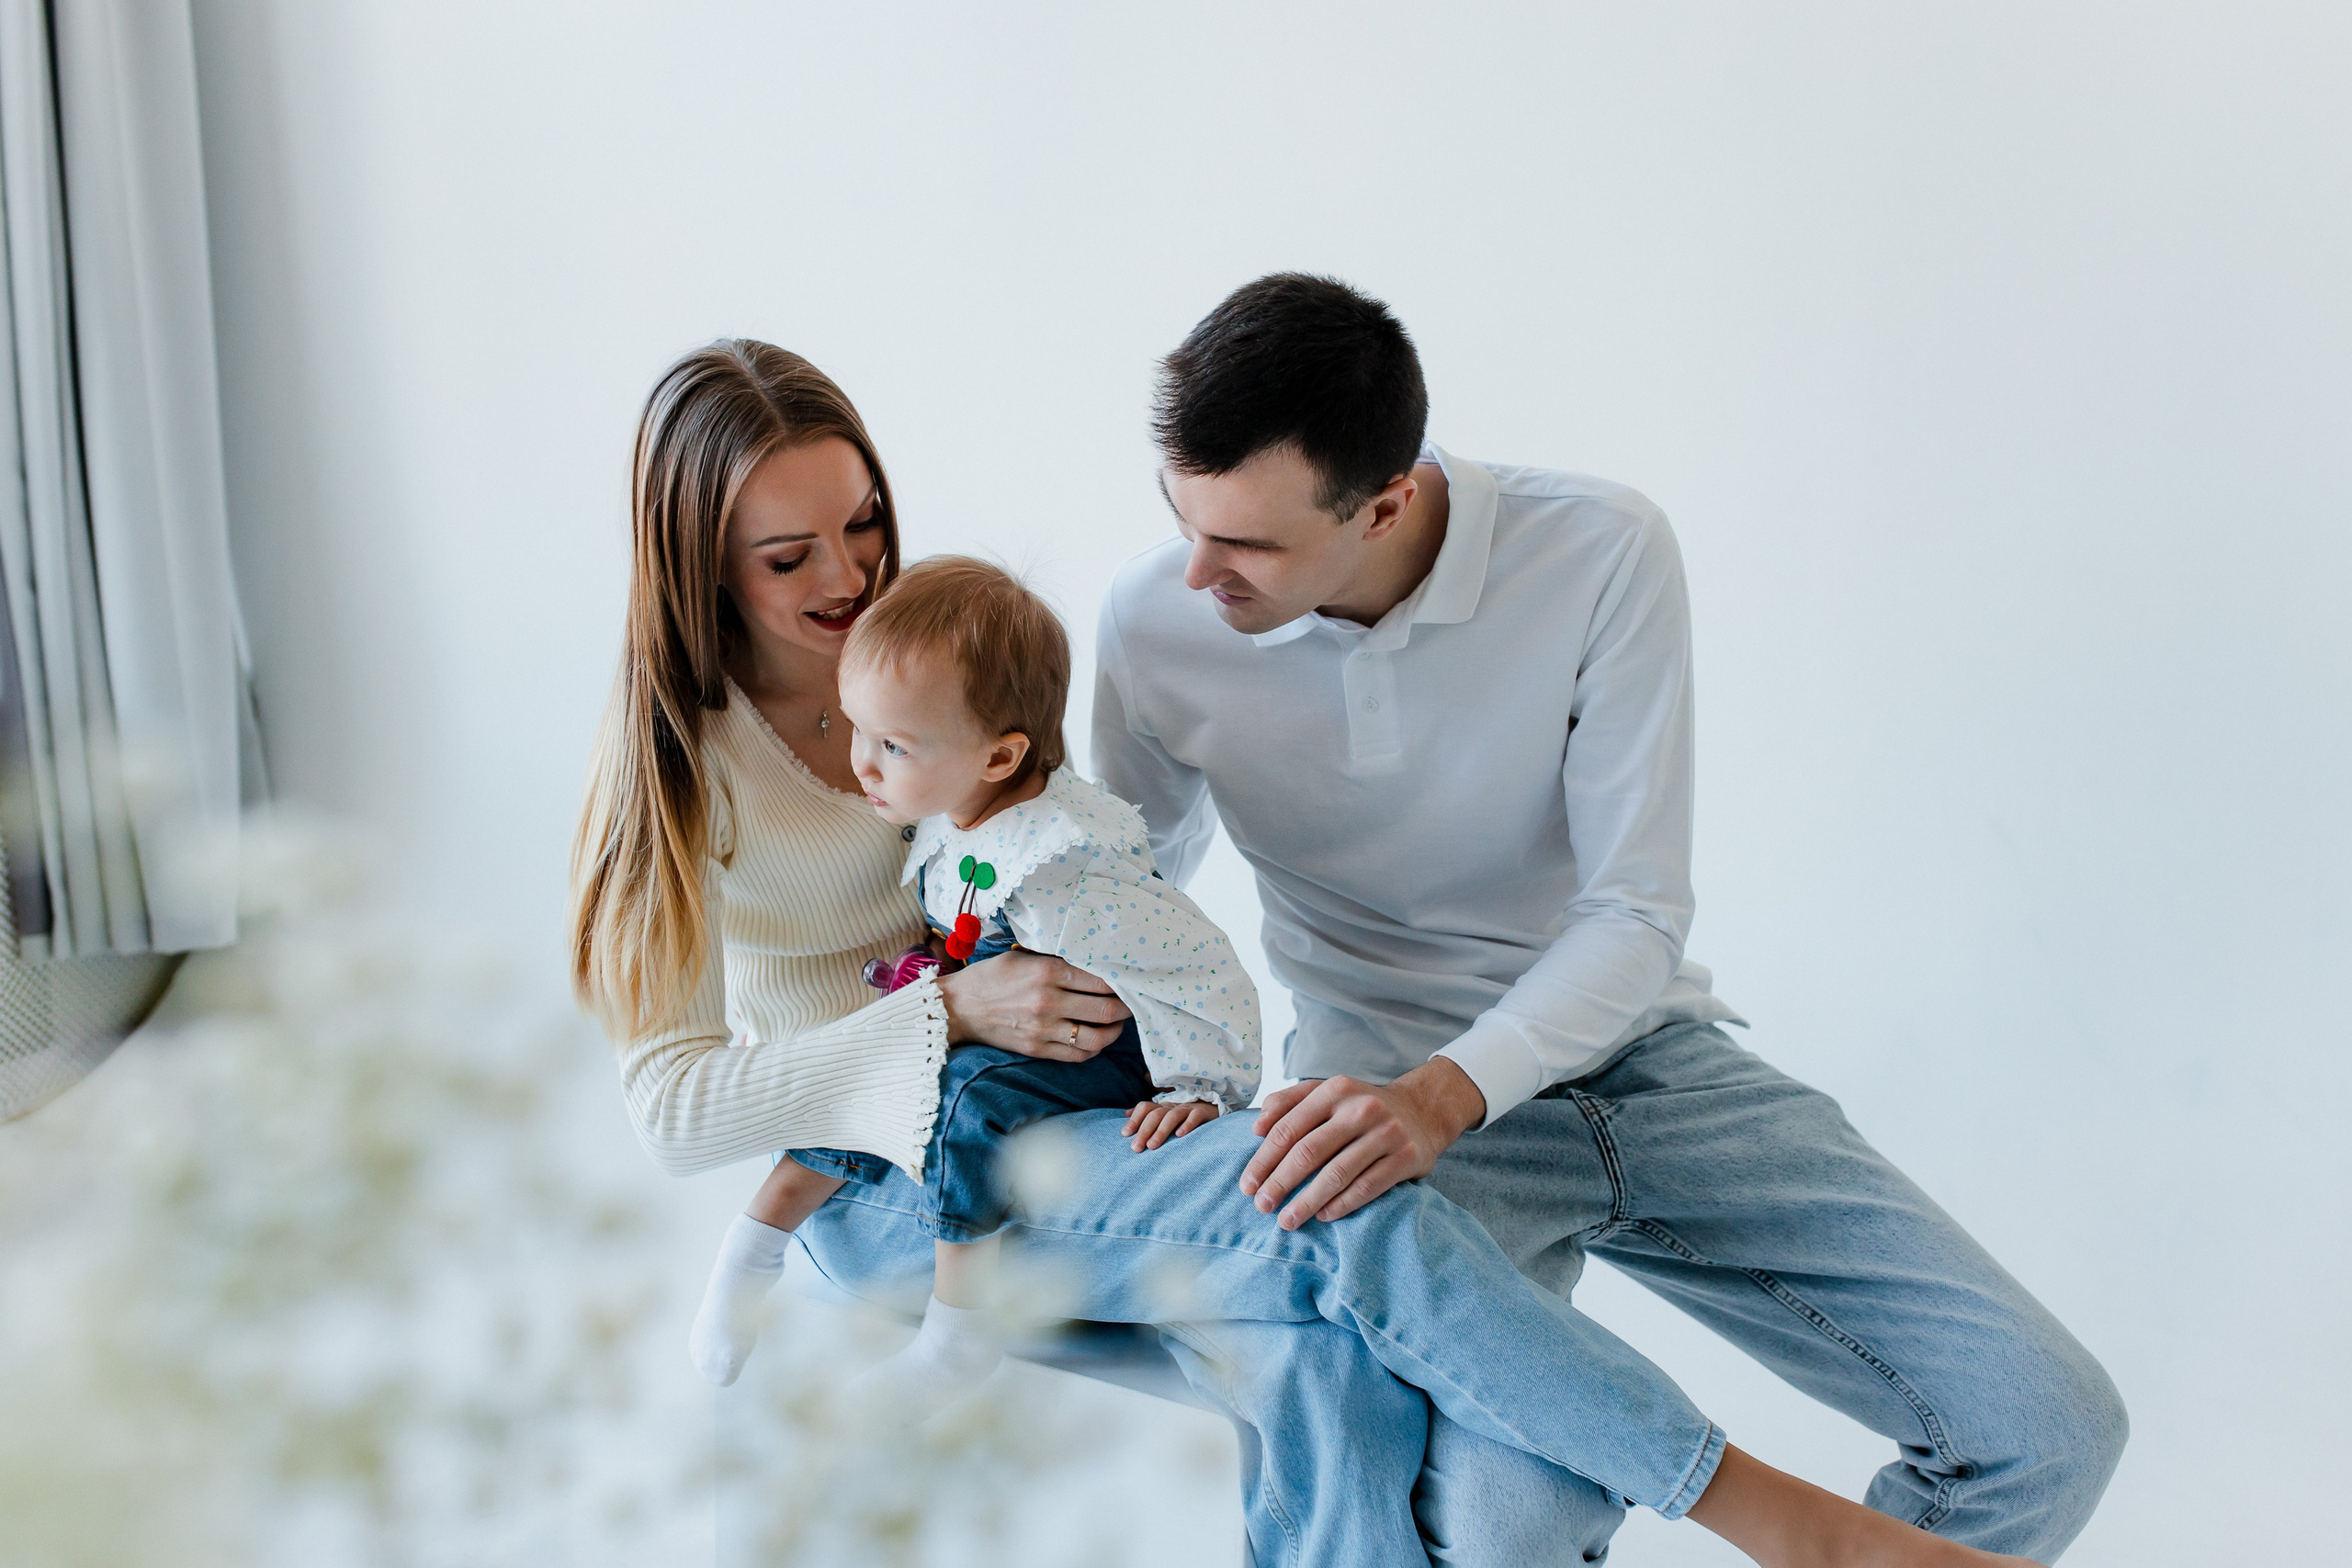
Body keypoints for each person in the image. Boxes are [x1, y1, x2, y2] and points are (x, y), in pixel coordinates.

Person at [580, 339, 2062, 1568]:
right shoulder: (671, 776)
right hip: (905, 1173)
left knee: (1322, 1354)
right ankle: (1771, 1515)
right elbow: (671, 1115)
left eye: (867, 528)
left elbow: (1108, 877)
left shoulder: (927, 669)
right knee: (1331, 1222)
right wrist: (948, 1016)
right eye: (790, 556)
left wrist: (1193, 1068)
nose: (846, 573)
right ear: (699, 563)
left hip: (1081, 1119)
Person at [1084, 273, 2132, 1562]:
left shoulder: (1599, 549)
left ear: (1389, 499)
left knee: (2047, 1425)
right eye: (1182, 518)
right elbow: (1122, 898)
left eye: (1247, 544)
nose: (1200, 571)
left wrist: (1449, 1091)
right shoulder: (1156, 619)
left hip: (1643, 1060)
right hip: (1383, 1107)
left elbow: (1635, 911)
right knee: (1512, 1517)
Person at [687, 556, 1257, 1400]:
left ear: (1000, 756)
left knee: (963, 1101)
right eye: (857, 729)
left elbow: (1194, 961)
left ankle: (958, 1332)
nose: (863, 765)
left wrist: (1208, 1081)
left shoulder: (1061, 866)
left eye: (892, 745)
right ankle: (752, 1247)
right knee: (873, 1065)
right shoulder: (951, 816)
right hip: (996, 1016)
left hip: (1091, 1048)